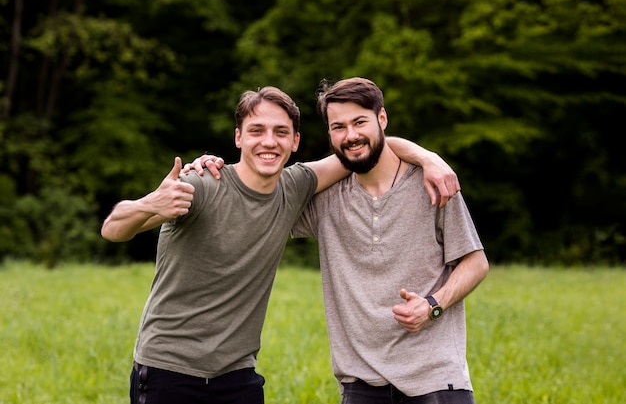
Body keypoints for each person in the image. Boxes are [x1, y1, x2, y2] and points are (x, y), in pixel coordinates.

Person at [101, 85, 460, 404]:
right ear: (239, 137)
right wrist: (151, 204)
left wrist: (428, 158)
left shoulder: (296, 185)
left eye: (280, 132)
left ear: (295, 141)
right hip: (168, 369)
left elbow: (363, 148)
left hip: (238, 375)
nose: (269, 142)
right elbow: (113, 229)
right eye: (256, 131)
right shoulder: (203, 184)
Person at [289, 77, 489, 403]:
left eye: (359, 122)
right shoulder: (325, 200)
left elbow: (476, 261)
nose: (351, 135)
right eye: (338, 126)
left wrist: (432, 306)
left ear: (381, 119)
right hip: (360, 383)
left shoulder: (433, 184)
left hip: (436, 377)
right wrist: (207, 171)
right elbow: (257, 200)